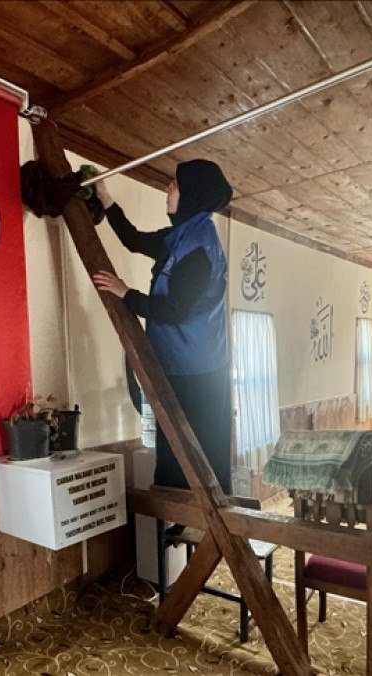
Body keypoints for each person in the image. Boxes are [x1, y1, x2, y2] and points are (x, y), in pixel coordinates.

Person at [91, 159, 234, 499]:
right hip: (177, 363)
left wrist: (126, 293)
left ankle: (204, 517)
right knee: (172, 450)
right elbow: (133, 240)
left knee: (197, 455)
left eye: (175, 185)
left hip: (198, 371)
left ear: (192, 194)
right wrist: (105, 197)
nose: (168, 190)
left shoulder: (200, 249)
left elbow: (173, 311)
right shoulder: (181, 237)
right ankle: (176, 515)